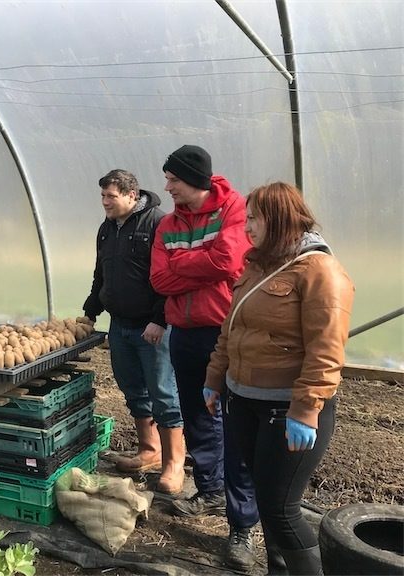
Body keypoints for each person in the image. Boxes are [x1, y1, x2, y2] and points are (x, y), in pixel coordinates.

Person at [203, 182, 354, 575]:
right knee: (267, 502)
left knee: (281, 508)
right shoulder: (257, 266)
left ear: (279, 218)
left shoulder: (319, 270)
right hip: (244, 399)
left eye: (253, 218)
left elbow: (326, 350)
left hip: (286, 409)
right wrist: (215, 377)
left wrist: (305, 411)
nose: (246, 226)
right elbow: (231, 328)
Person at [150, 145, 260, 570]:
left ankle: (242, 525)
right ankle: (211, 489)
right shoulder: (168, 224)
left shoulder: (233, 207)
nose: (167, 186)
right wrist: (200, 265)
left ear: (193, 178)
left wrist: (184, 265)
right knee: (196, 413)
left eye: (173, 179)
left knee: (238, 422)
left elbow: (230, 260)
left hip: (225, 329)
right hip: (186, 332)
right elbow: (159, 277)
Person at [83, 169, 185, 494]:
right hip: (120, 326)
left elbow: (171, 276)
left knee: (164, 394)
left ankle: (173, 465)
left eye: (110, 196)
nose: (104, 203)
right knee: (133, 390)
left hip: (152, 326)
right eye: (102, 197)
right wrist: (90, 309)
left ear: (131, 194)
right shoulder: (106, 229)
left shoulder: (158, 223)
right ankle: (149, 451)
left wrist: (160, 319)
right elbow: (101, 274)